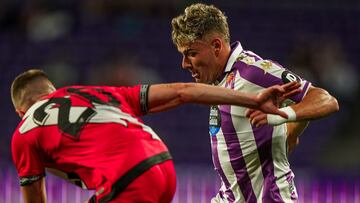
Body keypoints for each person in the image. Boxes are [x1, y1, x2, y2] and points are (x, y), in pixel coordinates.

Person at [10, 69, 300, 203]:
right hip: (163, 167)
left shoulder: (24, 132)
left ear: (20, 110)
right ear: (53, 90)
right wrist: (254, 100)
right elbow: (183, 92)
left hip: (128, 182)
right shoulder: (97, 93)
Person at [171, 3, 339, 203]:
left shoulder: (254, 71)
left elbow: (325, 99)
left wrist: (287, 117)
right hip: (230, 197)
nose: (184, 64)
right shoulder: (220, 80)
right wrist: (290, 130)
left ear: (216, 46)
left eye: (191, 53)